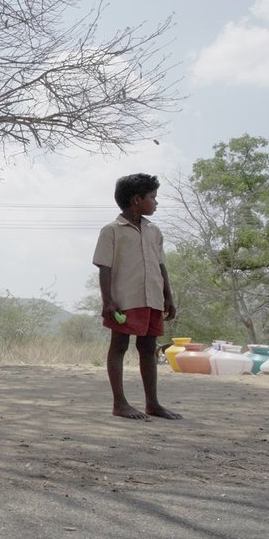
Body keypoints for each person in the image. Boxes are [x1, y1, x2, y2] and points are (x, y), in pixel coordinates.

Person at [92, 173, 180, 421]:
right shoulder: (111, 231)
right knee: (119, 346)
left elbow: (161, 266)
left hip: (152, 298)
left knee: (148, 347)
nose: (156, 202)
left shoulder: (154, 231)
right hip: (124, 300)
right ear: (136, 199)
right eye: (152, 197)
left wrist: (168, 298)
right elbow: (104, 267)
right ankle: (119, 403)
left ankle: (153, 403)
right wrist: (108, 300)